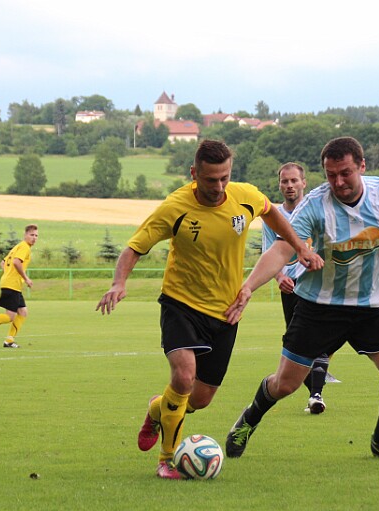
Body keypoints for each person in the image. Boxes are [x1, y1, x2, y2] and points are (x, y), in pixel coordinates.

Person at [224, 136, 379, 460]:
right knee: (284, 384)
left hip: (374, 307)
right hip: (319, 307)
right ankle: (248, 420)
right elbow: (281, 249)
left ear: (362, 167)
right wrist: (248, 287)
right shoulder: (314, 204)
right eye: (331, 175)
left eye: (345, 173)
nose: (338, 182)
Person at [95, 139, 322, 479]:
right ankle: (167, 460)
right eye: (210, 179)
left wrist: (298, 246)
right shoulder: (175, 207)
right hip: (180, 304)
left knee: (199, 399)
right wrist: (118, 282)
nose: (218, 187)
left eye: (224, 178)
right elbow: (134, 247)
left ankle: (157, 409)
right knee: (183, 377)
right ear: (194, 174)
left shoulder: (244, 196)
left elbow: (272, 212)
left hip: (225, 312)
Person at [266, 162, 340, 415]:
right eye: (284, 181)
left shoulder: (318, 209)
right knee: (299, 343)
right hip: (291, 287)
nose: (289, 186)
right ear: (279, 184)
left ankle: (316, 394)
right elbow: (270, 252)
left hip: (318, 283)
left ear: (304, 183)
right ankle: (314, 388)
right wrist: (278, 276)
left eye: (294, 181)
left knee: (321, 339)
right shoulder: (274, 217)